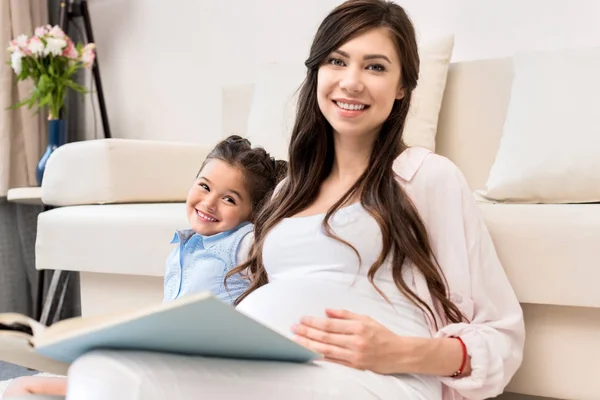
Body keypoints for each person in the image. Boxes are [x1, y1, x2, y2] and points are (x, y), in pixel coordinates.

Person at [9, 0, 525, 399]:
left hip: (368, 378)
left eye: (375, 67)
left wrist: (400, 351)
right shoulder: (287, 188)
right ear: (316, 73)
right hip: (269, 368)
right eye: (337, 61)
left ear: (403, 88)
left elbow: (502, 337)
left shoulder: (424, 177)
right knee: (93, 370)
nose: (350, 81)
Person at [1, 135, 287, 399]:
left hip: (194, 377)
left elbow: (283, 259)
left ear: (252, 212)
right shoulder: (183, 249)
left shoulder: (243, 242)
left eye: (229, 199)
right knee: (57, 378)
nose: (209, 203)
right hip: (160, 364)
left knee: (26, 386)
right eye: (204, 186)